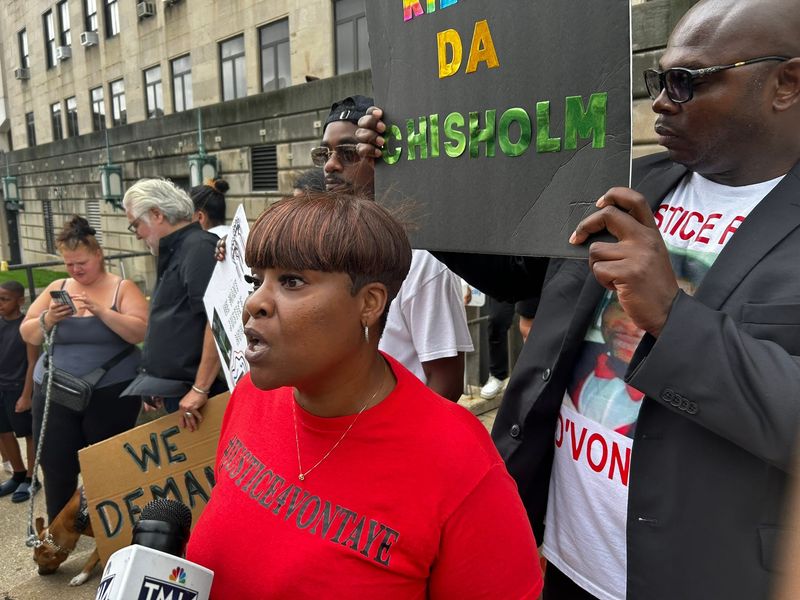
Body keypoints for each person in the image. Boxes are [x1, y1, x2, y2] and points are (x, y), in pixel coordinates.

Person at [356, 0, 800, 596]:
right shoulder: (628, 180)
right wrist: (402, 192)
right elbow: (522, 278)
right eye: (657, 79)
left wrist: (671, 314)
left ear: (786, 84)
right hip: (561, 554)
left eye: (685, 82)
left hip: (699, 574)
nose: (661, 101)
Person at [185, 192, 543, 598]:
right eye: (257, 280)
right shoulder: (250, 395)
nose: (254, 303)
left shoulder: (460, 462)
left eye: (292, 281)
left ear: (369, 303)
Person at [316, 95, 473, 401]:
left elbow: (445, 383)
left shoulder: (422, 260)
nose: (331, 165)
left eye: (348, 153)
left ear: (381, 158)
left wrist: (401, 445)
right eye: (324, 153)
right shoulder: (324, 243)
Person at [19, 217, 147, 522]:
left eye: (82, 263)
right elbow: (27, 333)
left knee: (108, 465)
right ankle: (59, 532)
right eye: (69, 264)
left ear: (98, 255)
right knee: (55, 463)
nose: (75, 270)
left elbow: (140, 332)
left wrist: (102, 312)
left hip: (110, 391)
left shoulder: (122, 288)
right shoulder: (57, 287)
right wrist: (49, 319)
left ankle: (109, 527)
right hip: (55, 389)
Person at [122, 178, 225, 432]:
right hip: (179, 390)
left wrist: (200, 388)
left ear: (156, 214)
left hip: (199, 395)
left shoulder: (197, 247)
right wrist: (156, 382)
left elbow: (216, 320)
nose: (136, 235)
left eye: (135, 225)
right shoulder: (177, 249)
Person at [0, 281, 39, 503]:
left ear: (20, 301)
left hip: (19, 388)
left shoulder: (27, 325)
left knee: (27, 433)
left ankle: (32, 478)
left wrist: (26, 395)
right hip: (1, 388)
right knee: (3, 432)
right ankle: (18, 473)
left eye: (5, 299)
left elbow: (33, 362)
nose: (0, 304)